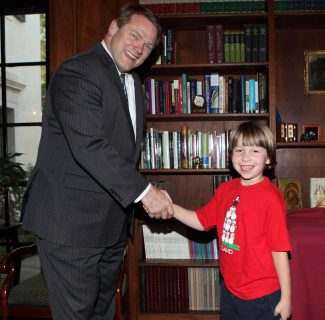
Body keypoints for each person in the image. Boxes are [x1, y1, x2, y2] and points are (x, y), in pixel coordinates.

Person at [21, 3, 173, 320]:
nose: (140, 49)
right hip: (70, 226)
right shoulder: (79, 71)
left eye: (148, 46)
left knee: (102, 313)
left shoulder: (133, 83)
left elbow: (124, 154)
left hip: (110, 227)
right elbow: (89, 145)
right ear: (113, 28)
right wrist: (145, 193)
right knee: (76, 314)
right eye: (135, 36)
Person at [162, 121, 292, 320]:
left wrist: (287, 297)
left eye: (255, 150)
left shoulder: (271, 198)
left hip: (262, 294)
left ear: (269, 158)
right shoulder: (225, 190)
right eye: (239, 150)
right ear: (231, 156)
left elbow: (279, 250)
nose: (246, 157)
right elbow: (201, 220)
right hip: (229, 289)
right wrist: (171, 209)